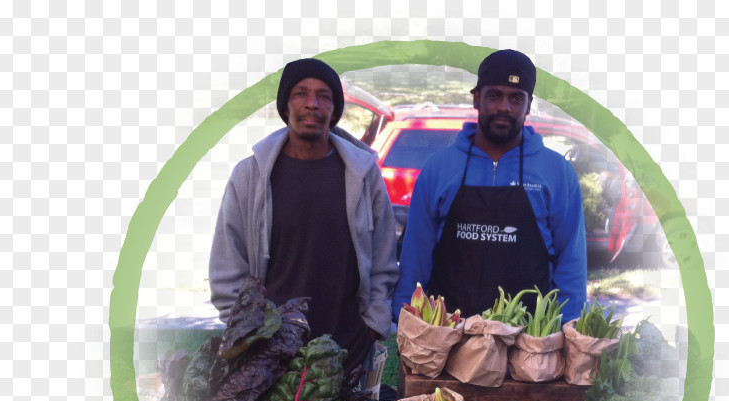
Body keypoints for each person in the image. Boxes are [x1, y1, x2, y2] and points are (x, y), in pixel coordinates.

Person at [209, 58, 399, 375]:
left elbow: (383, 260)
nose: (312, 104)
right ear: (285, 107)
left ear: (335, 111)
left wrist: (373, 326)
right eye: (300, 93)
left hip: (348, 347)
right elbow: (228, 265)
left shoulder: (363, 176)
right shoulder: (249, 176)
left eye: (324, 96)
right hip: (270, 353)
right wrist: (248, 335)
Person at [392, 49, 587, 323]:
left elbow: (572, 265)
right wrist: (405, 322)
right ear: (476, 98)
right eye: (494, 95)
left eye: (516, 98)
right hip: (446, 337)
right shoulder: (439, 168)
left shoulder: (557, 172)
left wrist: (570, 329)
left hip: (527, 344)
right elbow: (416, 258)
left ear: (529, 105)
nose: (504, 107)